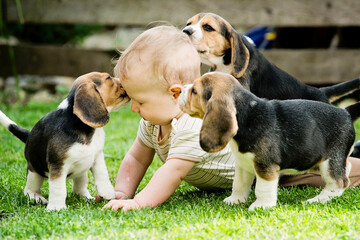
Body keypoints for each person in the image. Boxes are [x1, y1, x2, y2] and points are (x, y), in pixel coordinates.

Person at [103, 26, 360, 211]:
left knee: (323, 167)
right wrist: (122, 192)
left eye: (140, 102)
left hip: (273, 165)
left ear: (175, 94)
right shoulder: (150, 123)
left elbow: (171, 174)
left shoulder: (192, 126)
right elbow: (136, 157)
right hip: (245, 169)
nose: (134, 109)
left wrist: (138, 202)